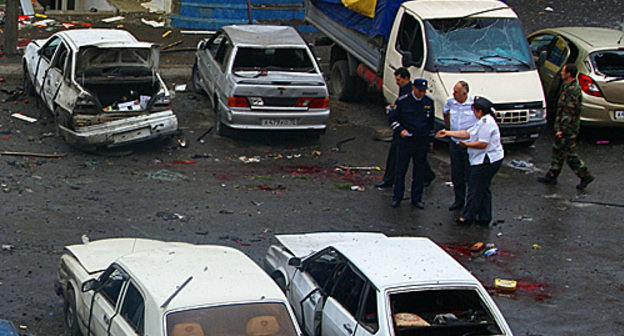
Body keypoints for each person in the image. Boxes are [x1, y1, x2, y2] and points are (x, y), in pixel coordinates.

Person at [436, 97, 503, 225]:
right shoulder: (482, 121)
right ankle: (484, 216)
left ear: (478, 111)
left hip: (486, 160)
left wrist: (466, 145)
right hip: (486, 159)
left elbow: (483, 144)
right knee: (484, 187)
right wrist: (448, 133)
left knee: (475, 188)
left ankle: (468, 216)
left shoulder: (486, 123)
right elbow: (467, 133)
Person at [537, 63, 594, 189]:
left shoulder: (572, 90)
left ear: (568, 74)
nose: (561, 73)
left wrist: (562, 129)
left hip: (568, 129)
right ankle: (552, 175)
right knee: (557, 150)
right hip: (564, 126)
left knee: (568, 153)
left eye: (563, 71)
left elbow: (569, 111)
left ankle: (585, 175)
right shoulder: (567, 87)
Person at [376, 69, 435, 188]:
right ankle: (390, 179)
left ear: (405, 79)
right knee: (405, 155)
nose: (396, 82)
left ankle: (391, 180)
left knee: (405, 157)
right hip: (403, 130)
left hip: (408, 131)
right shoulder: (404, 90)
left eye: (398, 79)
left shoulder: (410, 93)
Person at [389, 78, 435, 208]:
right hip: (406, 141)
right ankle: (397, 197)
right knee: (400, 170)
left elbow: (430, 123)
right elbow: (392, 120)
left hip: (421, 141)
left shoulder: (428, 102)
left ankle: (416, 198)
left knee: (419, 171)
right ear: (414, 88)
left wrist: (431, 140)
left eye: (424, 91)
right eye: (419, 91)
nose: (422, 93)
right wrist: (401, 130)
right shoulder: (403, 101)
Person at [443, 81, 476, 210]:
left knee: (469, 173)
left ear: (464, 93)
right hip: (455, 142)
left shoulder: (474, 103)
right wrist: (449, 129)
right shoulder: (451, 102)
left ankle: (470, 202)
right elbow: (445, 113)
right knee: (456, 173)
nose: (453, 94)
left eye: (456, 92)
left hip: (468, 144)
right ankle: (458, 199)